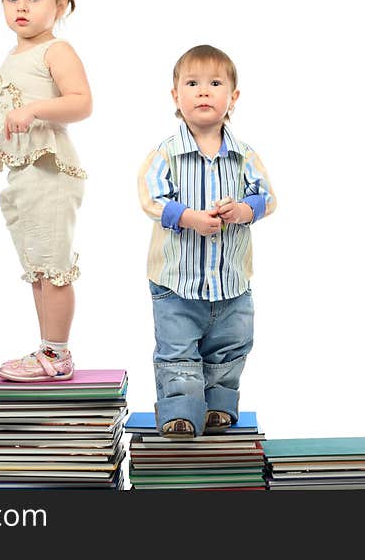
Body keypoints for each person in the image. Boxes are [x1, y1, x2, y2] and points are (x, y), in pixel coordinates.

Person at [0, 0, 102, 381]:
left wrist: (37, 109)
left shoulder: (56, 51)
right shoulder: (13, 55)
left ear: (61, 5)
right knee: (38, 266)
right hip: (23, 173)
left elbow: (82, 103)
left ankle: (57, 353)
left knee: (54, 265)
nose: (22, 6)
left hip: (50, 171)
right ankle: (46, 349)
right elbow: (15, 109)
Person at [137, 45, 277, 437]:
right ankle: (180, 411)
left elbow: (267, 197)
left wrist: (244, 211)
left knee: (229, 350)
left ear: (232, 97)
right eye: (192, 83)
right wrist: (189, 217)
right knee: (177, 353)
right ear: (175, 97)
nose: (203, 92)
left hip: (231, 284)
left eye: (214, 84)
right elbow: (150, 198)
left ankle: (218, 407)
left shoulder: (244, 155)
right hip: (177, 283)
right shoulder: (166, 153)